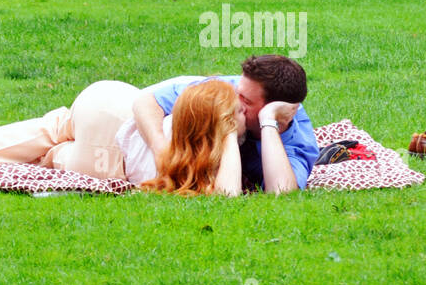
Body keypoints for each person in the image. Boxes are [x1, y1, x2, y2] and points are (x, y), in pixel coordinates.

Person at [0, 77, 243, 195]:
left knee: (54, 126)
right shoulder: (204, 159)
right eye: (238, 111)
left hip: (107, 102)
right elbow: (227, 195)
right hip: (105, 163)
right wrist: (229, 135)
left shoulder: (181, 125)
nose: (245, 114)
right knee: (52, 156)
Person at [132, 55, 318, 195]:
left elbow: (281, 192)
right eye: (238, 92)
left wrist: (268, 121)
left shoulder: (298, 143)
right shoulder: (229, 90)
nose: (234, 101)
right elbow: (145, 101)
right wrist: (160, 149)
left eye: (245, 101)